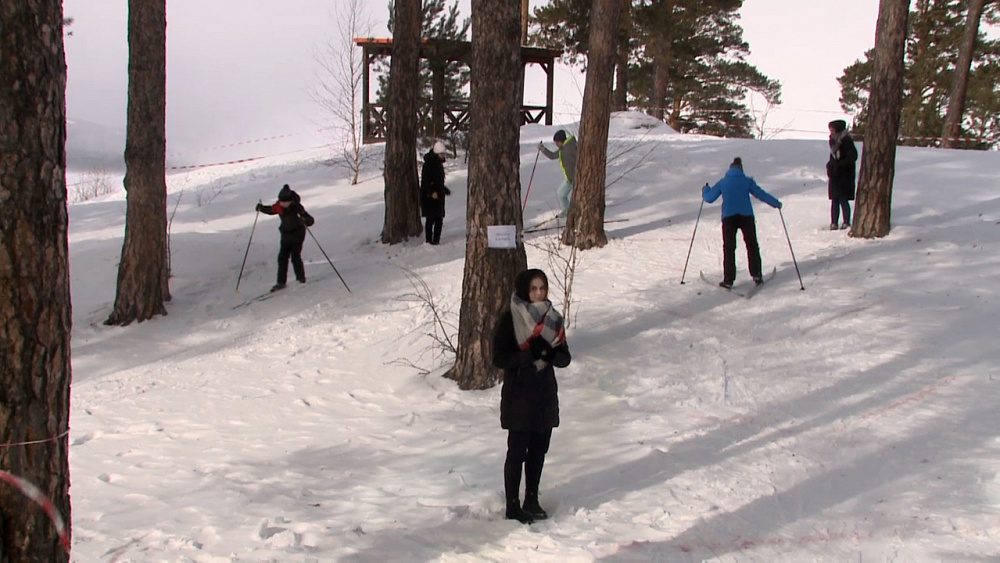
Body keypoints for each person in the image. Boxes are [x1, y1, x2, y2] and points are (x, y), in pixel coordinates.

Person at [491, 269, 571, 524]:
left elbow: (565, 358)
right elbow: (499, 358)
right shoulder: (510, 319)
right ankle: (512, 505)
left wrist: (547, 353)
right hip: (519, 395)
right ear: (525, 289)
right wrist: (529, 355)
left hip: (544, 394)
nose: (538, 293)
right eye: (534, 288)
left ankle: (532, 499)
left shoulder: (554, 320)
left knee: (539, 450)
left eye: (542, 288)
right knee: (517, 452)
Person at [702, 157, 782, 289]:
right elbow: (761, 194)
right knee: (752, 245)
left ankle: (728, 279)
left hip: (729, 217)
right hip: (746, 216)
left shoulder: (724, 182)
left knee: (729, 248)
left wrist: (705, 190)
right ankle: (756, 274)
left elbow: (709, 198)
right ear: (741, 169)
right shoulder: (747, 181)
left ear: (730, 169)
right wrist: (776, 203)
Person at [256, 184, 315, 292]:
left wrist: (306, 220)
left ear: (290, 201)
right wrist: (261, 208)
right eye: (281, 202)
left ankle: (301, 278)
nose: (283, 204)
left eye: (285, 202)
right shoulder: (279, 206)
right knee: (282, 258)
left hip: (298, 234)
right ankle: (281, 282)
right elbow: (271, 210)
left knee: (295, 257)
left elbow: (310, 220)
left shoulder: (297, 207)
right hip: (285, 235)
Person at [826, 119, 857, 231]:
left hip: (844, 176)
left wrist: (840, 165)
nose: (831, 131)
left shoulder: (846, 140)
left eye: (832, 129)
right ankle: (834, 222)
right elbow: (832, 157)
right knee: (835, 200)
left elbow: (853, 157)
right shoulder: (833, 141)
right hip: (835, 175)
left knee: (843, 199)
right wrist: (830, 167)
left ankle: (846, 222)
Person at [538, 129, 577, 216]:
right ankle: (567, 210)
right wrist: (543, 149)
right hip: (569, 178)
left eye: (557, 142)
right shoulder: (563, 148)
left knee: (562, 194)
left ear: (561, 140)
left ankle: (568, 211)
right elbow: (552, 156)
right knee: (561, 193)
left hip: (574, 178)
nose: (556, 145)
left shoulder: (570, 147)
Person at [420, 140, 451, 245]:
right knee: (431, 218)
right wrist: (431, 192)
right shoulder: (429, 164)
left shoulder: (438, 164)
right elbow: (425, 181)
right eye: (442, 154)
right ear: (437, 154)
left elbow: (438, 180)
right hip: (430, 197)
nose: (443, 156)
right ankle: (429, 240)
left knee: (439, 218)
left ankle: (436, 240)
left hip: (439, 195)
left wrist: (443, 189)